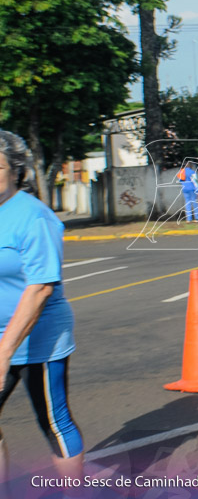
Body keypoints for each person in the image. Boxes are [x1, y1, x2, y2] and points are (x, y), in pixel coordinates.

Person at [0, 130, 84, 489]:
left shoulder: (33, 216)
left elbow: (40, 289)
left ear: (16, 171)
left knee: (52, 420)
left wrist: (3, 353)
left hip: (39, 337)